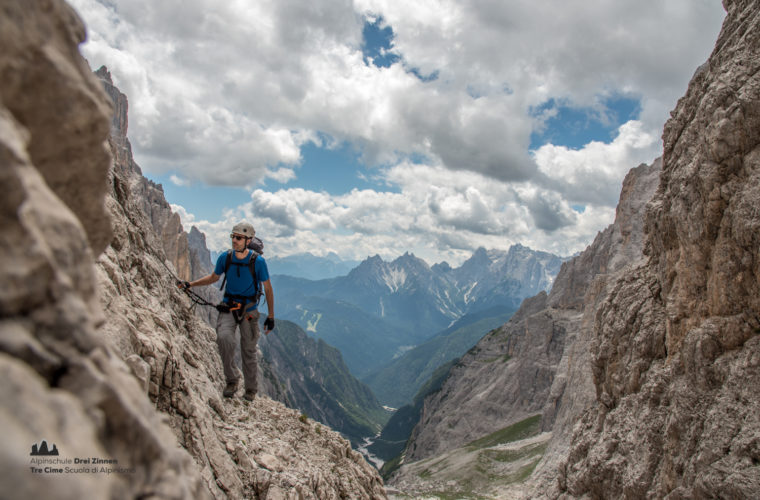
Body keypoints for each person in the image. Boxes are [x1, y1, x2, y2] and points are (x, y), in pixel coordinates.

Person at [180, 222, 274, 401]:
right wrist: (190, 284)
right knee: (224, 338)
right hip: (229, 306)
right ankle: (232, 380)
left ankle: (251, 390)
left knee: (248, 350)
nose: (234, 240)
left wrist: (270, 316)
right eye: (233, 236)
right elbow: (214, 277)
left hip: (249, 310)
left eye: (238, 237)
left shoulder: (258, 262)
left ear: (248, 240)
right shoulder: (226, 258)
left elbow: (268, 289)